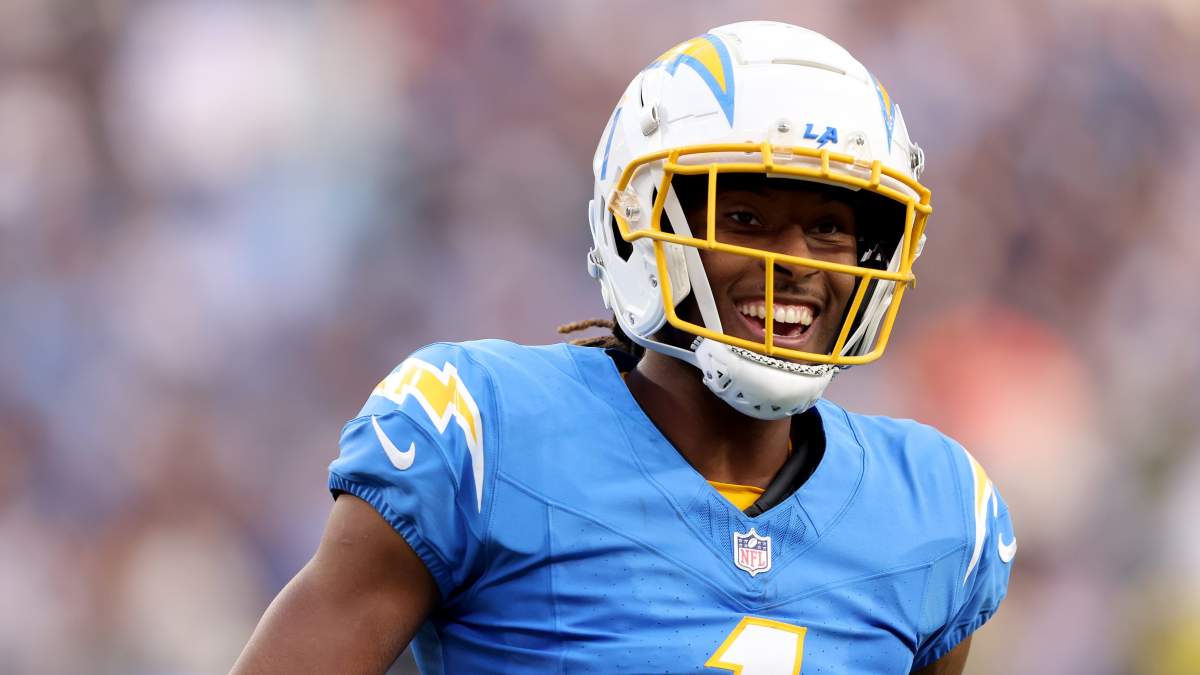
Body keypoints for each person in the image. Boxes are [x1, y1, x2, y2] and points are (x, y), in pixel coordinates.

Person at [232, 20, 1014, 675]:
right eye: (743, 218)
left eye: (829, 228)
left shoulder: (933, 509)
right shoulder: (483, 435)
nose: (794, 262)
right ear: (634, 224)